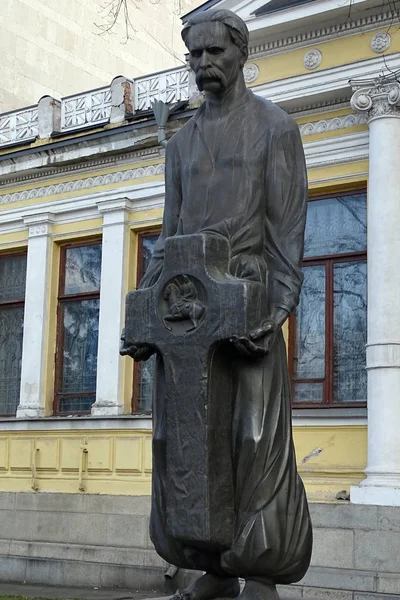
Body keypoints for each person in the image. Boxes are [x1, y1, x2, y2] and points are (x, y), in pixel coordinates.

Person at [124, 9, 312, 600]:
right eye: (194, 56)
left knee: (252, 440)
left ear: (241, 52)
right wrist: (141, 317)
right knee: (178, 443)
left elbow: (288, 239)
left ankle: (259, 570)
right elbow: (167, 238)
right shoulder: (179, 146)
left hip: (246, 303)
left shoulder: (275, 128)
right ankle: (209, 565)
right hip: (185, 315)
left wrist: (274, 313)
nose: (204, 64)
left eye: (214, 53)